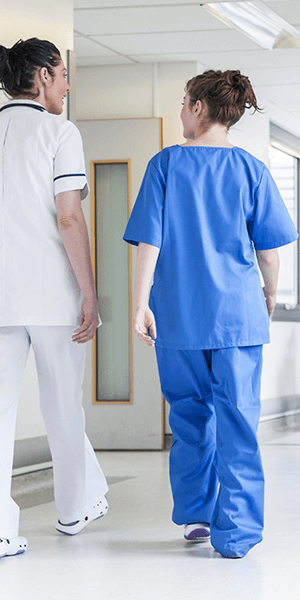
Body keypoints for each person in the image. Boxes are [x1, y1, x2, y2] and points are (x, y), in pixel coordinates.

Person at [123, 69, 297, 559]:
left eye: (183, 102)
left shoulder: (165, 165)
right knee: (238, 420)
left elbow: (149, 242)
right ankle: (237, 533)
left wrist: (141, 305)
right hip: (238, 316)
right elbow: (269, 252)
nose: (180, 110)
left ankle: (198, 515)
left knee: (190, 416)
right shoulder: (251, 169)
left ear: (199, 108)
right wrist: (268, 295)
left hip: (179, 314)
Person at [0, 38, 108, 558]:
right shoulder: (59, 132)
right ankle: (72, 510)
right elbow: (68, 215)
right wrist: (90, 292)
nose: (67, 85)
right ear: (42, 76)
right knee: (62, 404)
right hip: (48, 292)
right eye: (63, 74)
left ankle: (1, 529)